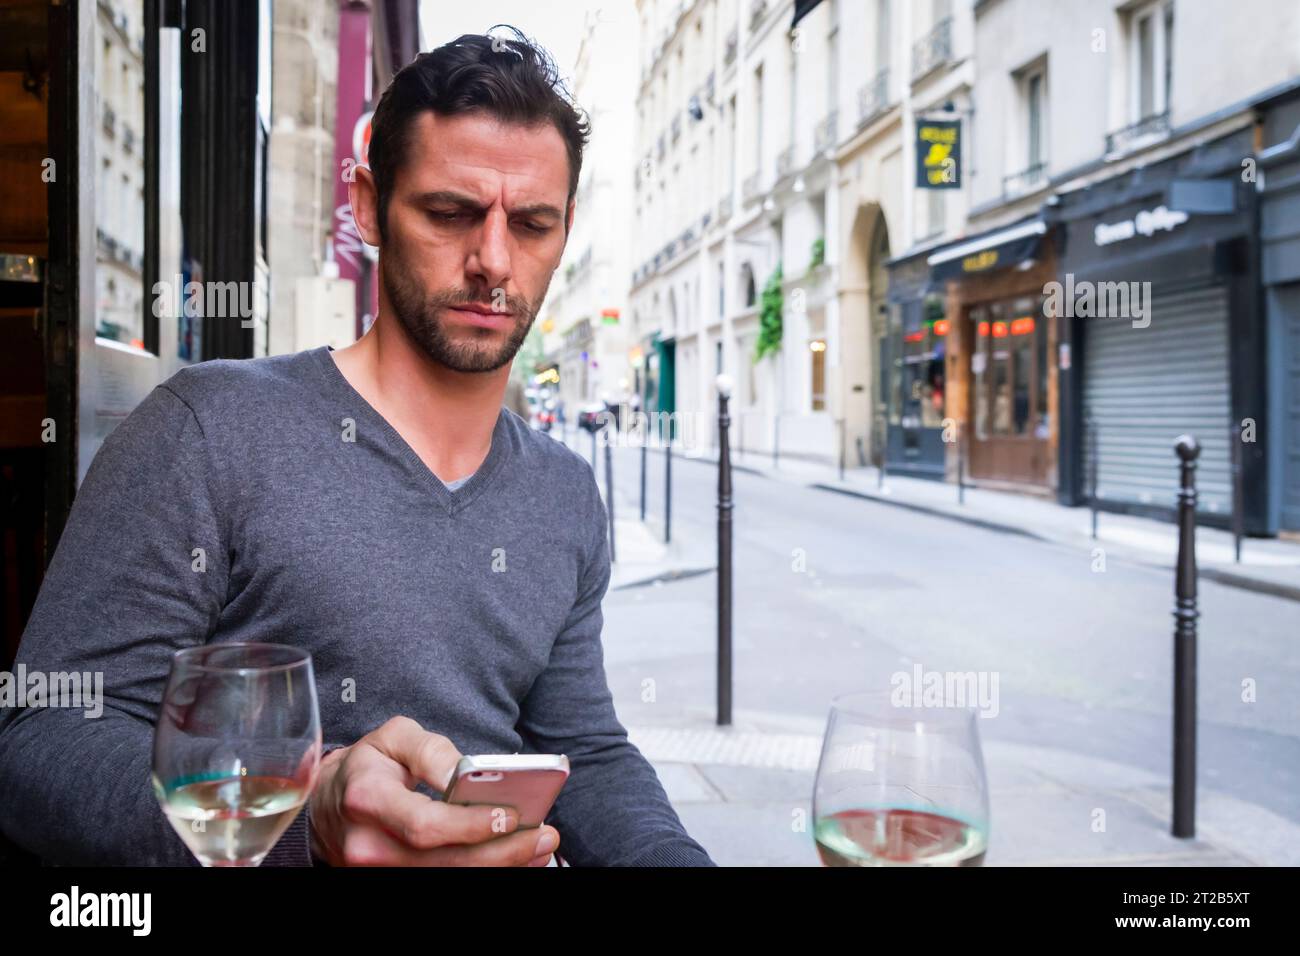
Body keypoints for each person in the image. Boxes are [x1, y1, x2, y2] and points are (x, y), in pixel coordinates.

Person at [0, 27, 714, 868]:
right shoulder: (207, 429)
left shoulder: (562, 493)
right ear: (369, 205)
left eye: (531, 224)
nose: (493, 261)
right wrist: (308, 812)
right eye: (450, 212)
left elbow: (582, 751)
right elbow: (43, 744)